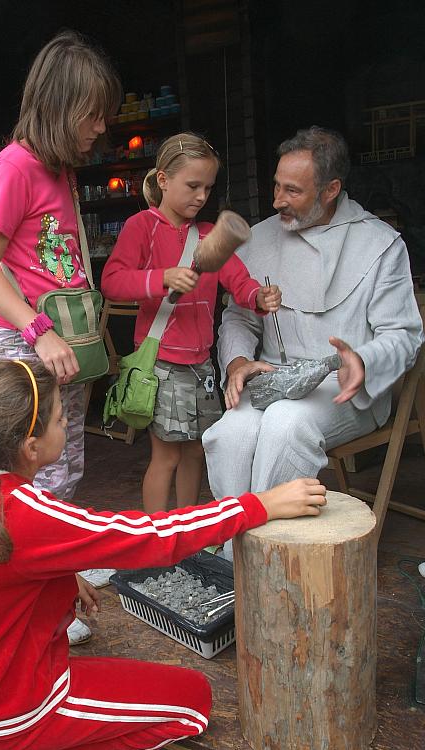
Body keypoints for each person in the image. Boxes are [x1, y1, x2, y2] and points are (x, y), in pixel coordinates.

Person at [0, 359, 326, 750]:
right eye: (61, 417)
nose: (69, 420)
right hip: (9, 711)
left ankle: (14, 747)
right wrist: (259, 505)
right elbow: (148, 536)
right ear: (30, 448)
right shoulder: (25, 514)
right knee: (193, 704)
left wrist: (62, 572)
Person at [0, 31, 122, 639]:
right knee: (26, 477)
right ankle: (44, 603)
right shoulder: (13, 168)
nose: (101, 127)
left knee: (63, 468)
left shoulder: (57, 171)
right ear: (59, 105)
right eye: (92, 112)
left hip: (60, 349)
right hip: (28, 347)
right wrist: (39, 331)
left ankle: (63, 573)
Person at [203, 126, 424, 550]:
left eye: (292, 190)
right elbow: (238, 317)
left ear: (330, 189)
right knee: (231, 433)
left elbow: (403, 334)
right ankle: (234, 548)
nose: (277, 200)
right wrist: (236, 363)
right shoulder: (261, 236)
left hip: (343, 388)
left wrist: (363, 358)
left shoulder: (379, 244)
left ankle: (268, 549)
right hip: (272, 380)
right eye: (275, 186)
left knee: (288, 424)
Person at [101, 132, 281, 513]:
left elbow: (239, 281)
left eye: (208, 188)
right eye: (193, 185)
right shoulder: (141, 227)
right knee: (165, 457)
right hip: (162, 364)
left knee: (196, 452)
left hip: (202, 366)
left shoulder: (208, 235)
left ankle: (187, 528)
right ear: (163, 180)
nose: (201, 196)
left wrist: (258, 298)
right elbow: (112, 282)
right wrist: (161, 278)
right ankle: (157, 534)